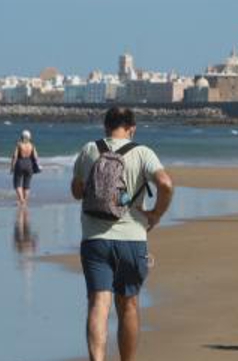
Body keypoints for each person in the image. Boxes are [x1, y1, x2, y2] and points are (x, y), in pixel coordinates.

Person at [71, 107, 174, 361]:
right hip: (133, 239)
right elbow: (166, 183)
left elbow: (76, 191)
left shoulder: (89, 150)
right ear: (132, 128)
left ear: (105, 126)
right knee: (128, 304)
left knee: (98, 304)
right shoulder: (142, 152)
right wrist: (156, 214)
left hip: (95, 239)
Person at [10, 129, 40, 206]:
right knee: (27, 184)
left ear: (22, 136)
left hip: (20, 163)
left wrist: (12, 166)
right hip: (29, 164)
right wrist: (37, 165)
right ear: (29, 137)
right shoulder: (32, 145)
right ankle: (25, 201)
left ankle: (21, 200)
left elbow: (15, 156)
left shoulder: (19, 144)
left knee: (17, 183)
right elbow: (36, 157)